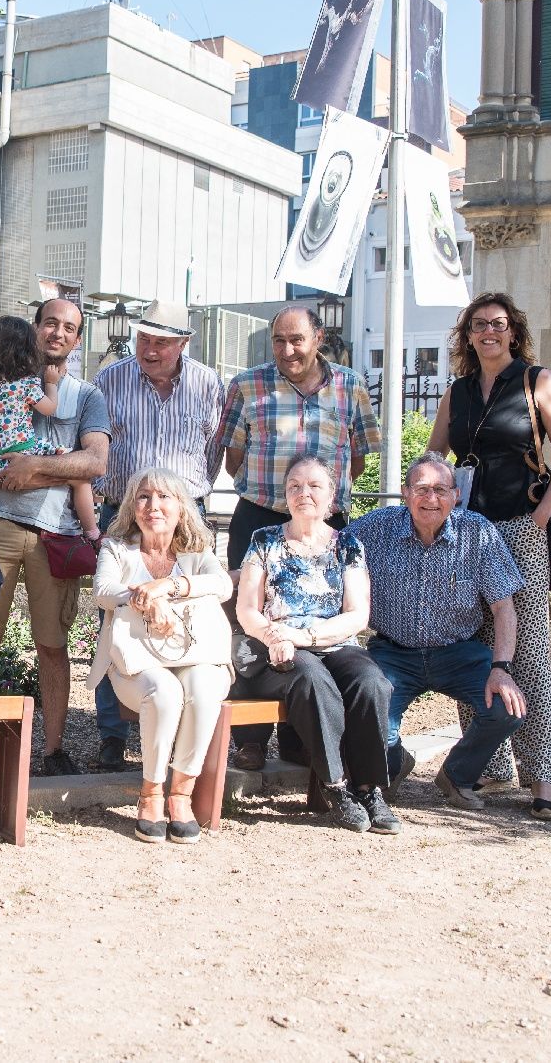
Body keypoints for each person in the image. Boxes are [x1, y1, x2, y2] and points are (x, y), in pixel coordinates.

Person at [428, 292, 551, 820]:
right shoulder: (459, 392)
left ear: (513, 331)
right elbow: (435, 456)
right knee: (474, 645)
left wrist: (537, 522)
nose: (487, 332)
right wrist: (432, 504)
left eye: (497, 324)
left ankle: (542, 777)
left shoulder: (539, 382)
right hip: (468, 531)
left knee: (529, 651)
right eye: (477, 325)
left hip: (519, 527)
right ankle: (488, 765)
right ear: (467, 336)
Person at [0, 298, 110, 779]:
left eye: (69, 328)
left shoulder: (86, 397)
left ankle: (55, 749)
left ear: (77, 339)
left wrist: (33, 467)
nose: (57, 334)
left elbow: (95, 463)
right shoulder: (0, 381)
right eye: (50, 324)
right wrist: (15, 478)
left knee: (52, 645)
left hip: (54, 535)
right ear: (35, 329)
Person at [221, 304, 380, 771]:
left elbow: (359, 456)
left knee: (318, 619)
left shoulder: (350, 386)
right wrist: (276, 496)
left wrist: (315, 502)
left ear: (319, 337)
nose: (287, 350)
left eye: (296, 340)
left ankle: (302, 736)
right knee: (245, 625)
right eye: (278, 341)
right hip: (259, 518)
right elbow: (232, 454)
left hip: (324, 527)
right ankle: (250, 738)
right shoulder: (247, 385)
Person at [89, 300, 226, 771]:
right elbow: (96, 449)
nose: (149, 349)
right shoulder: (109, 380)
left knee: (190, 615)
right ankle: (112, 735)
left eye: (161, 342)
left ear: (183, 344)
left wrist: (183, 504)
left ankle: (177, 726)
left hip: (187, 514)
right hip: (124, 509)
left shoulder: (209, 384)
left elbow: (215, 451)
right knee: (118, 618)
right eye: (143, 339)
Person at [348, 453, 528, 810]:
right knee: (372, 720)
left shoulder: (477, 533)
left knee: (508, 708)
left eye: (441, 490)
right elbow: (328, 548)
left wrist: (501, 669)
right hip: (393, 652)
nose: (431, 499)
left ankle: (458, 776)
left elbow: (503, 607)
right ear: (405, 493)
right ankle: (396, 763)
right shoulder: (372, 529)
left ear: (456, 494)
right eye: (422, 489)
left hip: (459, 653)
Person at [232, 454, 396, 833]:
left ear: (331, 495)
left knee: (372, 682)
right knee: (310, 678)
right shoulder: (264, 541)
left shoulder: (348, 544)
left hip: (333, 642)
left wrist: (306, 636)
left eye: (314, 486)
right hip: (277, 650)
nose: (304, 493)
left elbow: (357, 615)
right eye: (295, 486)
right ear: (285, 495)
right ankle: (336, 786)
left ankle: (370, 788)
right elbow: (247, 609)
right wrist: (275, 636)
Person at [89, 467, 232, 844]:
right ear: (132, 507)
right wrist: (144, 598)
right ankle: (151, 793)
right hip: (136, 663)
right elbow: (103, 590)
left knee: (204, 686)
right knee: (164, 692)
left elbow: (222, 585)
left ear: (181, 506)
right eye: (144, 496)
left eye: (164, 497)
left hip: (193, 655)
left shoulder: (197, 550)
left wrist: (168, 587)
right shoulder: (116, 547)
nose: (154, 506)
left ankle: (181, 794)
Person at [0, 314, 100, 541]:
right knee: (78, 478)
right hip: (21, 450)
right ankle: (92, 533)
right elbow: (49, 408)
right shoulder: (26, 383)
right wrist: (51, 384)